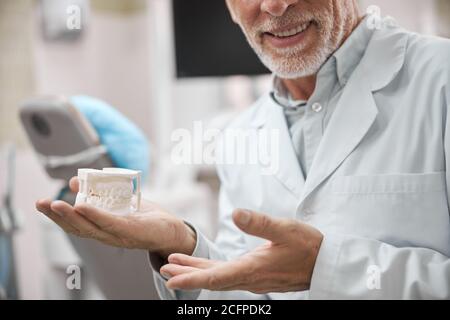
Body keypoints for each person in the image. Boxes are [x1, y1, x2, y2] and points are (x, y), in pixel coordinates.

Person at [36, 0, 450, 299]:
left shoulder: (439, 80)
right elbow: (243, 303)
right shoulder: (241, 136)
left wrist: (329, 268)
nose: (274, 5)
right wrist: (183, 243)